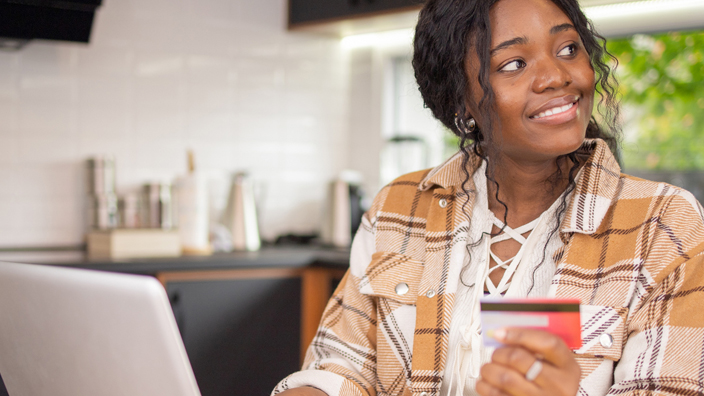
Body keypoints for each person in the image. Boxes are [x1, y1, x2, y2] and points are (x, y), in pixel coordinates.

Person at [273, 0, 704, 395]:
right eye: (514, 63)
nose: (557, 75)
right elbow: (343, 365)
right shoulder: (399, 207)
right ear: (462, 102)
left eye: (569, 49)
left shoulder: (662, 224)